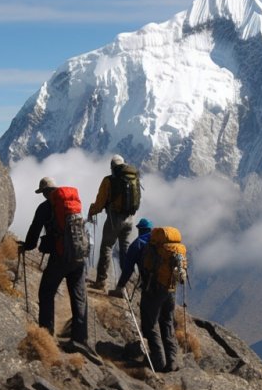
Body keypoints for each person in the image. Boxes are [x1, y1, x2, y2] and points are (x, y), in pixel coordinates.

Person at [20, 177, 89, 350]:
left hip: (60, 256)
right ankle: (80, 339)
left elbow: (35, 229)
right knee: (79, 296)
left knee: (46, 291)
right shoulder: (72, 203)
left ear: (44, 191)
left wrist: (27, 246)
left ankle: (46, 335)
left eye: (42, 192)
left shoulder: (46, 207)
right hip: (79, 255)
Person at [112, 220, 181, 373]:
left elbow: (128, 269)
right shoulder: (164, 246)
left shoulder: (137, 245)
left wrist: (120, 286)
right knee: (167, 322)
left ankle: (158, 362)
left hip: (153, 290)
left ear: (139, 230)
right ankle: (172, 361)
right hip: (170, 288)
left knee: (150, 325)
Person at [87, 154, 135, 290]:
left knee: (107, 247)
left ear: (112, 167)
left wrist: (92, 211)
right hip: (130, 219)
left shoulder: (109, 180)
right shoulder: (132, 178)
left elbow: (100, 202)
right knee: (124, 251)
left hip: (115, 219)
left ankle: (101, 281)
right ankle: (123, 284)